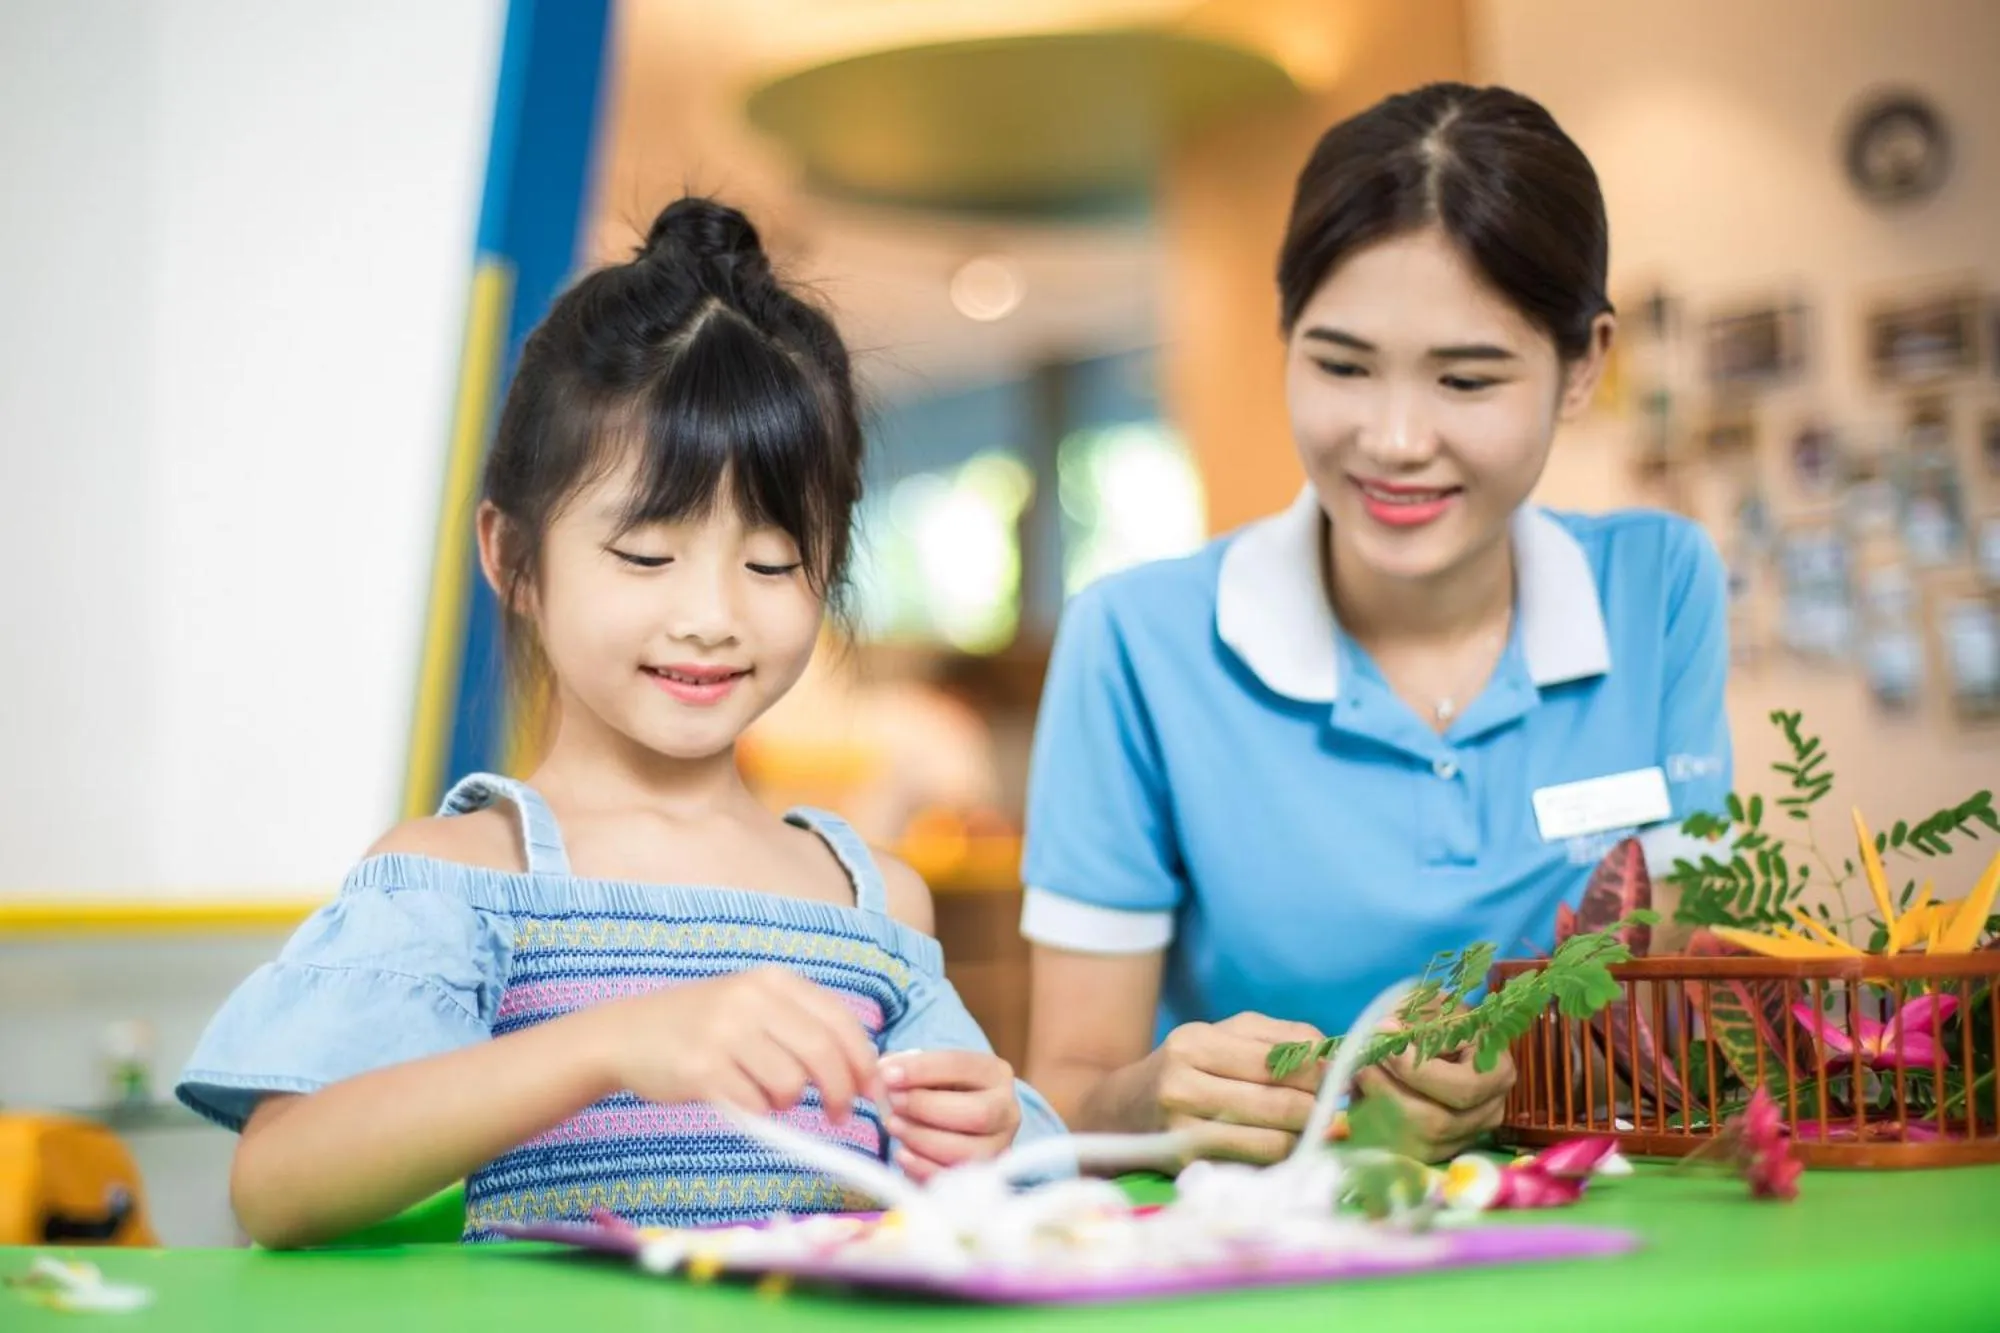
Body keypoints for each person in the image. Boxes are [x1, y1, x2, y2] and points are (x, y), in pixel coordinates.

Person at [177, 198, 1062, 1249]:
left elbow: (1006, 1185)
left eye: (773, 562)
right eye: (646, 555)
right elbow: (277, 1182)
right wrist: (603, 1043)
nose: (711, 616)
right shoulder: (464, 878)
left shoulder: (873, 899)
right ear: (512, 557)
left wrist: (984, 1136)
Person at [1019, 84, 1732, 1165]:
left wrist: (1514, 1083)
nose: (1394, 439)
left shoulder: (1657, 586)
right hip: (1257, 1248)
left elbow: (1686, 1023)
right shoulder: (1134, 641)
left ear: (1581, 365)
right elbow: (1064, 1087)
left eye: (1464, 377)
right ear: (1283, 337)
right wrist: (1148, 1095)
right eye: (1341, 365)